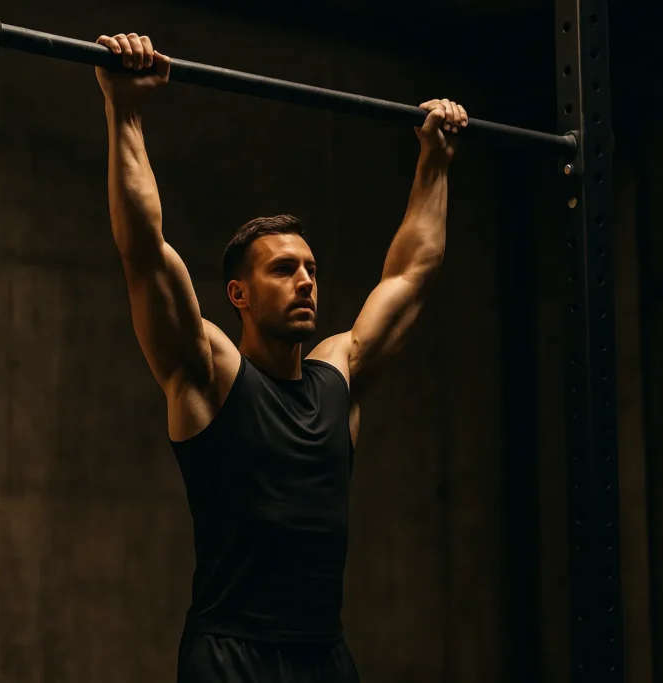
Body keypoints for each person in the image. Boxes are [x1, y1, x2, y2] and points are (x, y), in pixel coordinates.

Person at [95, 31, 467, 683]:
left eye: (312, 269)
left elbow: (413, 272)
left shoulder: (338, 375)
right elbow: (145, 251)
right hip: (230, 655)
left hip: (324, 655)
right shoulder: (207, 375)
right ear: (238, 292)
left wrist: (433, 159)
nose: (306, 280)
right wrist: (124, 111)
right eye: (284, 268)